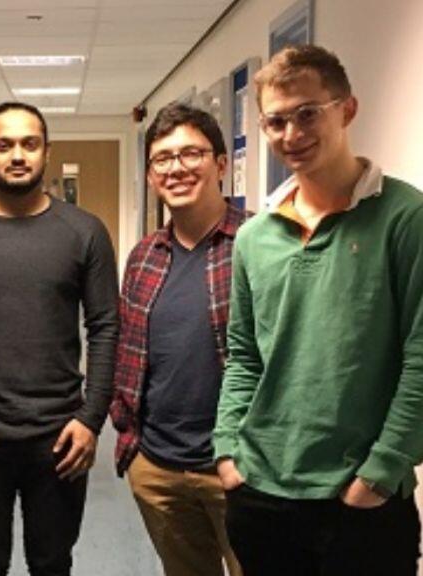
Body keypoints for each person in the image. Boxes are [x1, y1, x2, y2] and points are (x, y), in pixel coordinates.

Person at [214, 44, 423, 575]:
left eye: (308, 114)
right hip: (260, 490)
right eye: (275, 121)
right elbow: (243, 355)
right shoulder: (255, 237)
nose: (291, 134)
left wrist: (382, 472)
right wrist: (228, 450)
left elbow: (421, 359)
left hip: (359, 499)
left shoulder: (405, 218)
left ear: (347, 110)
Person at [0, 101, 119, 576]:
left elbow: (105, 327)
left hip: (60, 438)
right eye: (4, 145)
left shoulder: (84, 232)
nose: (17, 155)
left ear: (46, 151)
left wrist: (91, 419)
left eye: (29, 144)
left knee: (52, 564)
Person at [109, 103, 246, 576]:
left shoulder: (258, 243)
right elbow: (128, 349)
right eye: (163, 159)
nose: (177, 168)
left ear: (221, 164)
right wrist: (131, 439)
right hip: (159, 467)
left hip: (241, 468)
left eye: (191, 153)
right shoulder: (144, 256)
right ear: (150, 176)